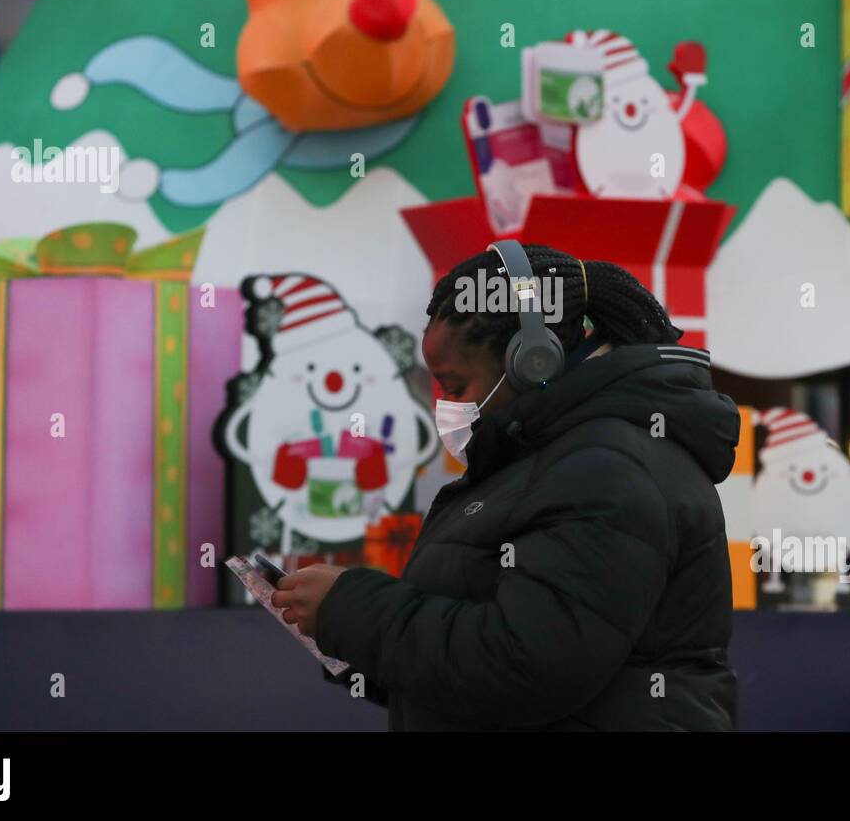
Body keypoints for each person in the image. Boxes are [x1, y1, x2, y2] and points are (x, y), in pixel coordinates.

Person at [273, 243, 741, 730]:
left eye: (455, 387)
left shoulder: (607, 470)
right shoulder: (543, 461)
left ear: (532, 361)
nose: (446, 406)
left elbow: (527, 667)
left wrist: (352, 611)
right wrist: (347, 636)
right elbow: (475, 661)